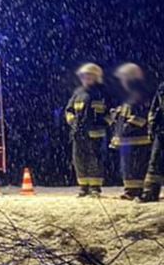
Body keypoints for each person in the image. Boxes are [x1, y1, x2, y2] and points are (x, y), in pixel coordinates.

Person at [64, 63, 110, 197]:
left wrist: (103, 124)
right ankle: (83, 187)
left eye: (89, 75)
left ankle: (95, 187)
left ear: (96, 76)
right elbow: (69, 110)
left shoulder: (102, 92)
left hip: (96, 133)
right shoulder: (78, 92)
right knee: (79, 159)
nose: (86, 78)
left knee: (94, 159)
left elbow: (111, 111)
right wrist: (72, 121)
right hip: (78, 132)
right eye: (84, 75)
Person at [109, 63, 153, 200]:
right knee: (128, 166)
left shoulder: (140, 94)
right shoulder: (130, 95)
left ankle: (136, 191)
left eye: (123, 78)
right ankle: (131, 189)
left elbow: (141, 116)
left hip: (137, 139)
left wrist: (125, 128)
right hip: (127, 139)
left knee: (135, 165)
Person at [139, 76, 164, 202]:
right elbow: (155, 109)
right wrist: (152, 127)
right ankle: (150, 193)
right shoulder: (162, 87)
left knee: (156, 163)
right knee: (155, 163)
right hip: (162, 131)